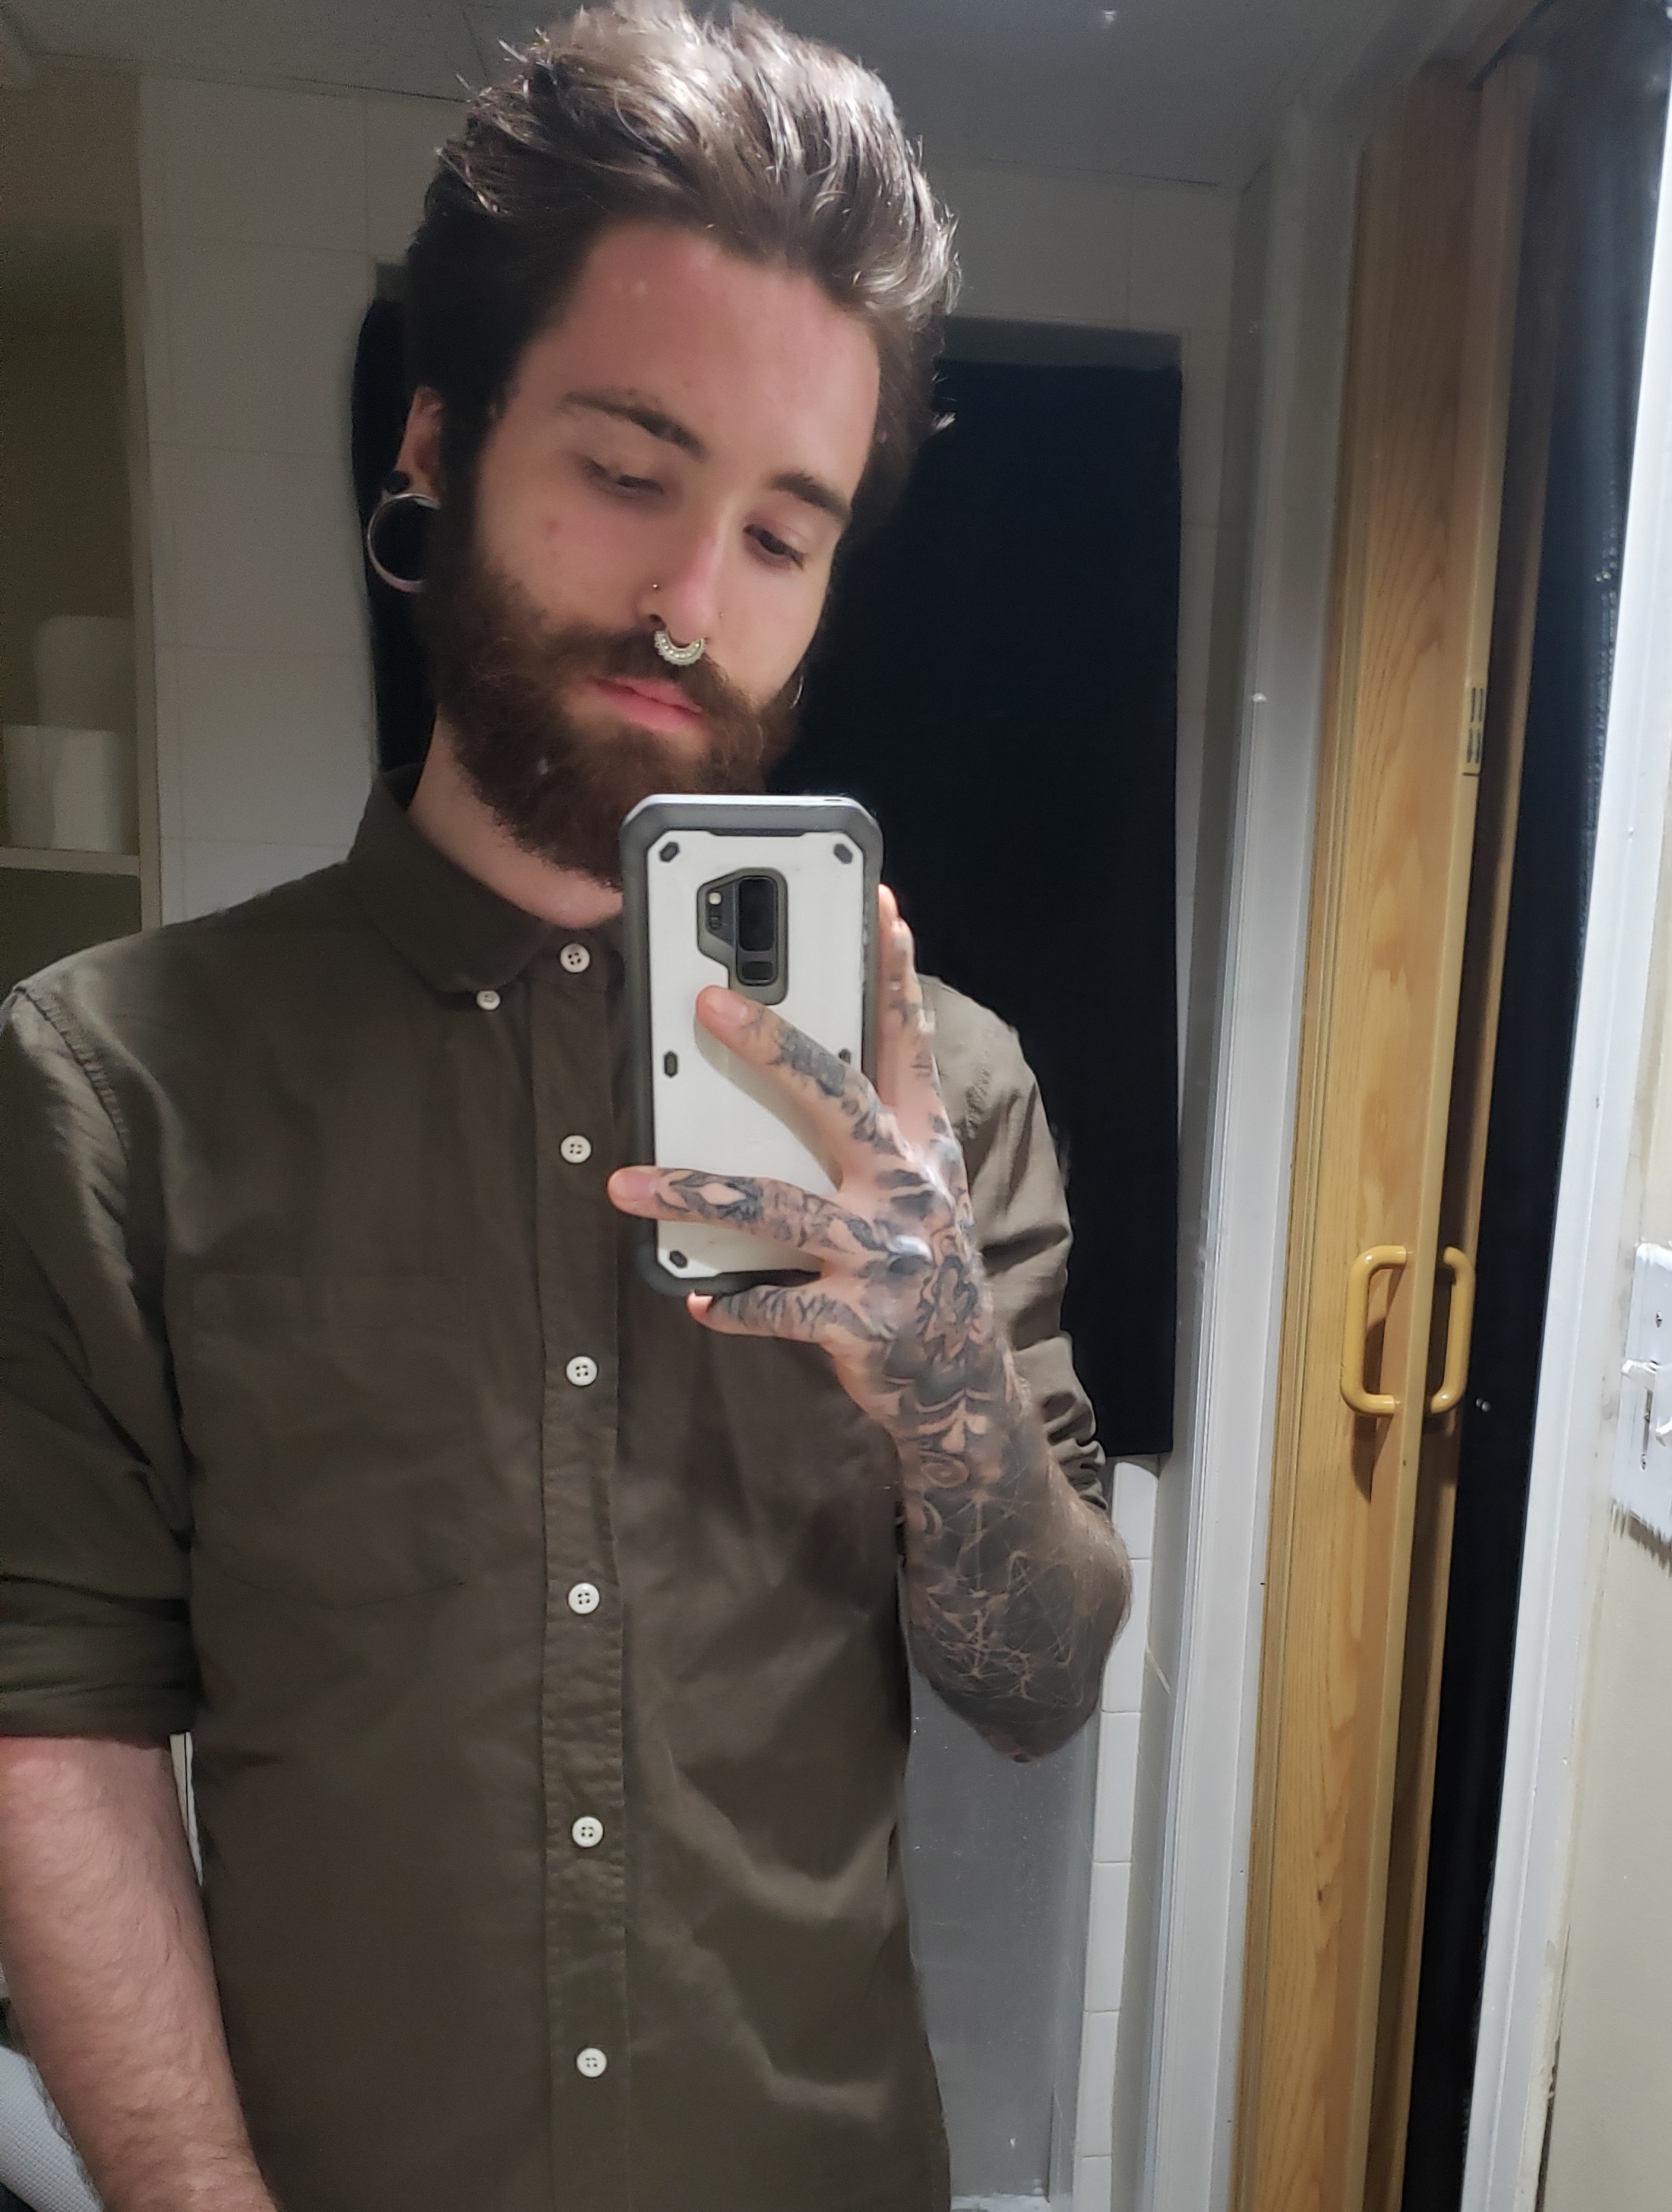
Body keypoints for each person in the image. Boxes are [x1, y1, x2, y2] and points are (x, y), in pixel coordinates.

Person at [0, 7, 1131, 2208]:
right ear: (439, 436)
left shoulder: (943, 1100)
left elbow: (1038, 1686)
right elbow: (58, 1729)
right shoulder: (116, 1094)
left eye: (783, 534)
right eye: (628, 472)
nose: (693, 605)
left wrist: (936, 1374)